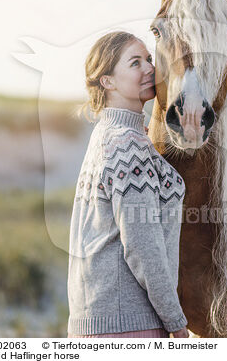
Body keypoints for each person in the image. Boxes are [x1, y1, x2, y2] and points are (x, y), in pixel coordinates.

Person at [67, 31, 189, 338]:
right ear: (107, 81)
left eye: (149, 59)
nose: (150, 68)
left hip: (96, 319)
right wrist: (176, 322)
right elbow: (142, 245)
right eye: (135, 63)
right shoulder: (127, 144)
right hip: (131, 325)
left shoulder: (106, 135)